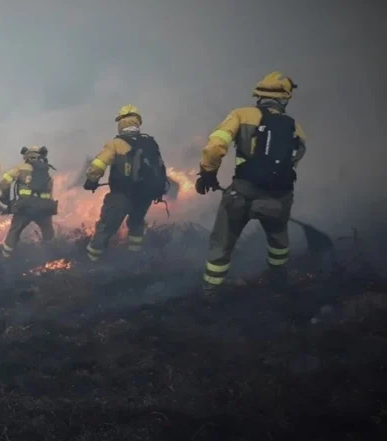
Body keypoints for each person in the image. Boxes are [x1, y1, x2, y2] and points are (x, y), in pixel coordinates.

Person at [195, 71, 306, 301]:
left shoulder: (241, 114)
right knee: (278, 242)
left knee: (222, 243)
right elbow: (296, 157)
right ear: (285, 98)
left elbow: (215, 146)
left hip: (242, 193)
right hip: (279, 196)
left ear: (259, 94)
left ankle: (210, 294)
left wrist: (208, 174)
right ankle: (278, 283)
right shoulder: (295, 127)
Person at [83, 104, 169, 261]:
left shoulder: (116, 143)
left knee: (106, 228)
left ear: (121, 122)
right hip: (145, 195)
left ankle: (91, 260)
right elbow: (160, 166)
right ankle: (134, 257)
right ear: (138, 121)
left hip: (121, 195)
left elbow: (99, 164)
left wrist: (91, 180)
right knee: (136, 224)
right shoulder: (150, 142)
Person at [0, 145, 57, 258]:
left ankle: (6, 256)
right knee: (48, 233)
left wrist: (7, 200)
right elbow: (49, 193)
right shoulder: (47, 171)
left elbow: (3, 184)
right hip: (44, 209)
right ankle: (51, 257)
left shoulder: (21, 168)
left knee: (14, 231)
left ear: (27, 156)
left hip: (24, 208)